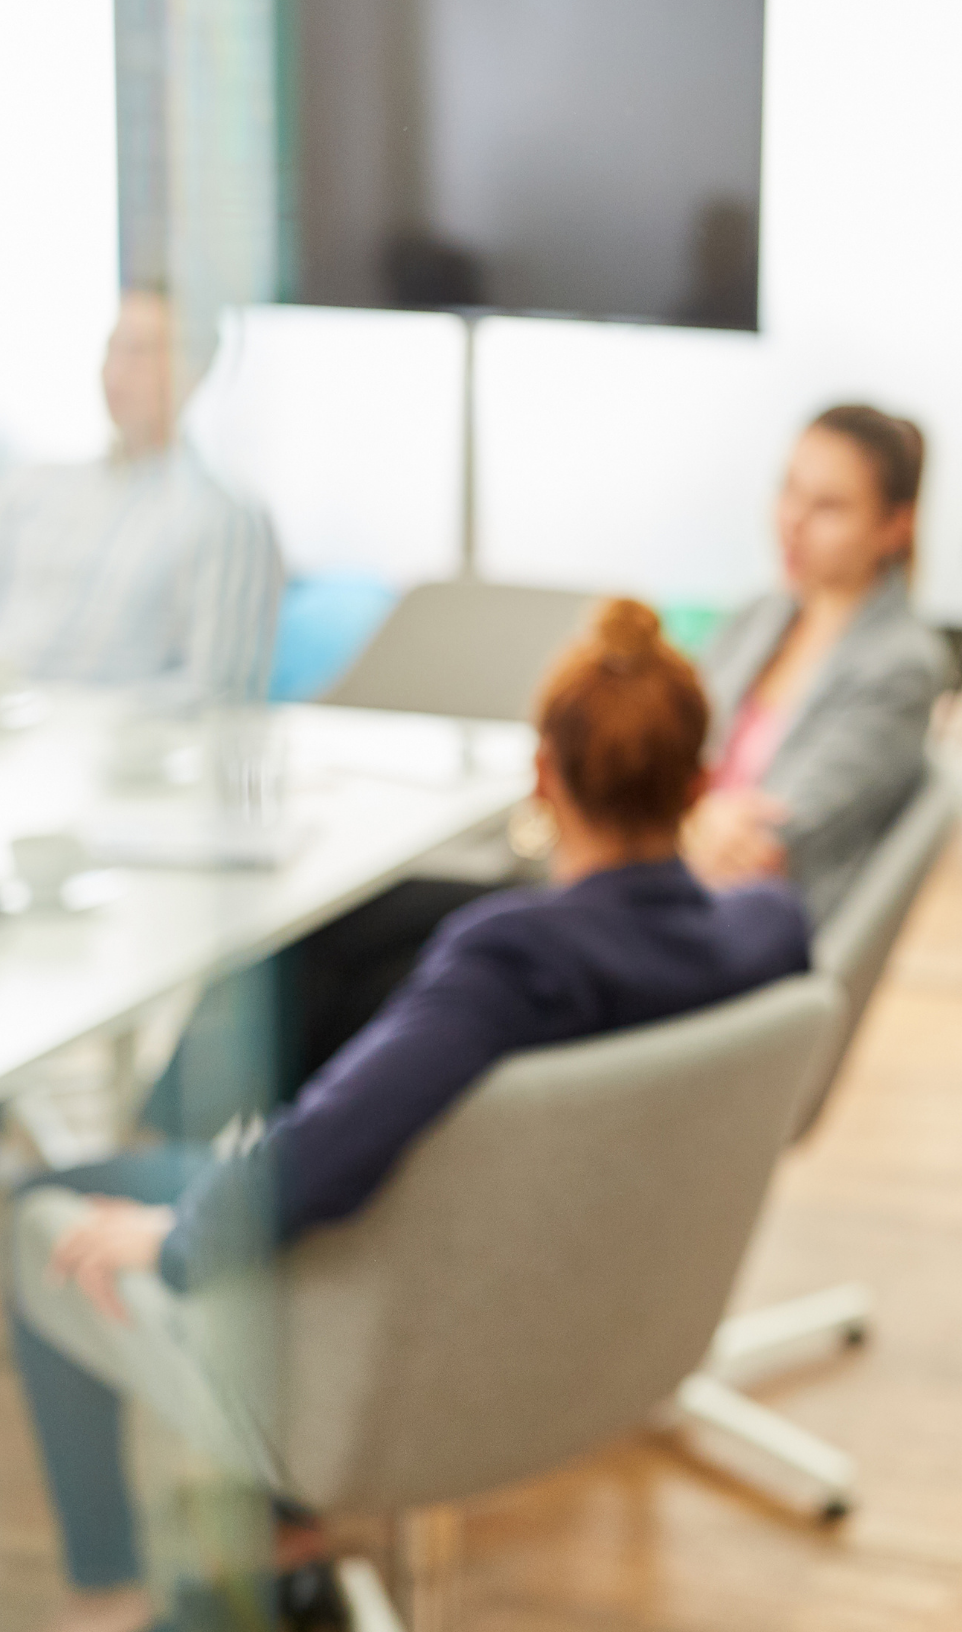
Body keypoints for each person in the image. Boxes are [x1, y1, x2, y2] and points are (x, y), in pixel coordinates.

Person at [9, 599, 809, 1632]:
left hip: (404, 1291)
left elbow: (327, 1153)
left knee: (50, 1199)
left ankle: (109, 1593)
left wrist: (174, 1236)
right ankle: (279, 1531)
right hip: (572, 1280)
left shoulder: (509, 959)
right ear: (700, 785)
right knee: (351, 957)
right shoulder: (770, 928)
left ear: (543, 775)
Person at [684, 404, 950, 926]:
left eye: (828, 507)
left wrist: (667, 822)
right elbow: (663, 761)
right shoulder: (756, 617)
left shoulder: (903, 668)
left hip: (750, 926)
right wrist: (690, 822)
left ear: (895, 526)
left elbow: (768, 845)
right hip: (680, 892)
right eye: (789, 490)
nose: (793, 522)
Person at [0, 290, 282, 705]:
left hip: (107, 756)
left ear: (195, 370)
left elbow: (219, 692)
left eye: (141, 353)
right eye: (113, 348)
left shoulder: (227, 520)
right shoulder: (36, 490)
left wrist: (66, 717)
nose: (117, 371)